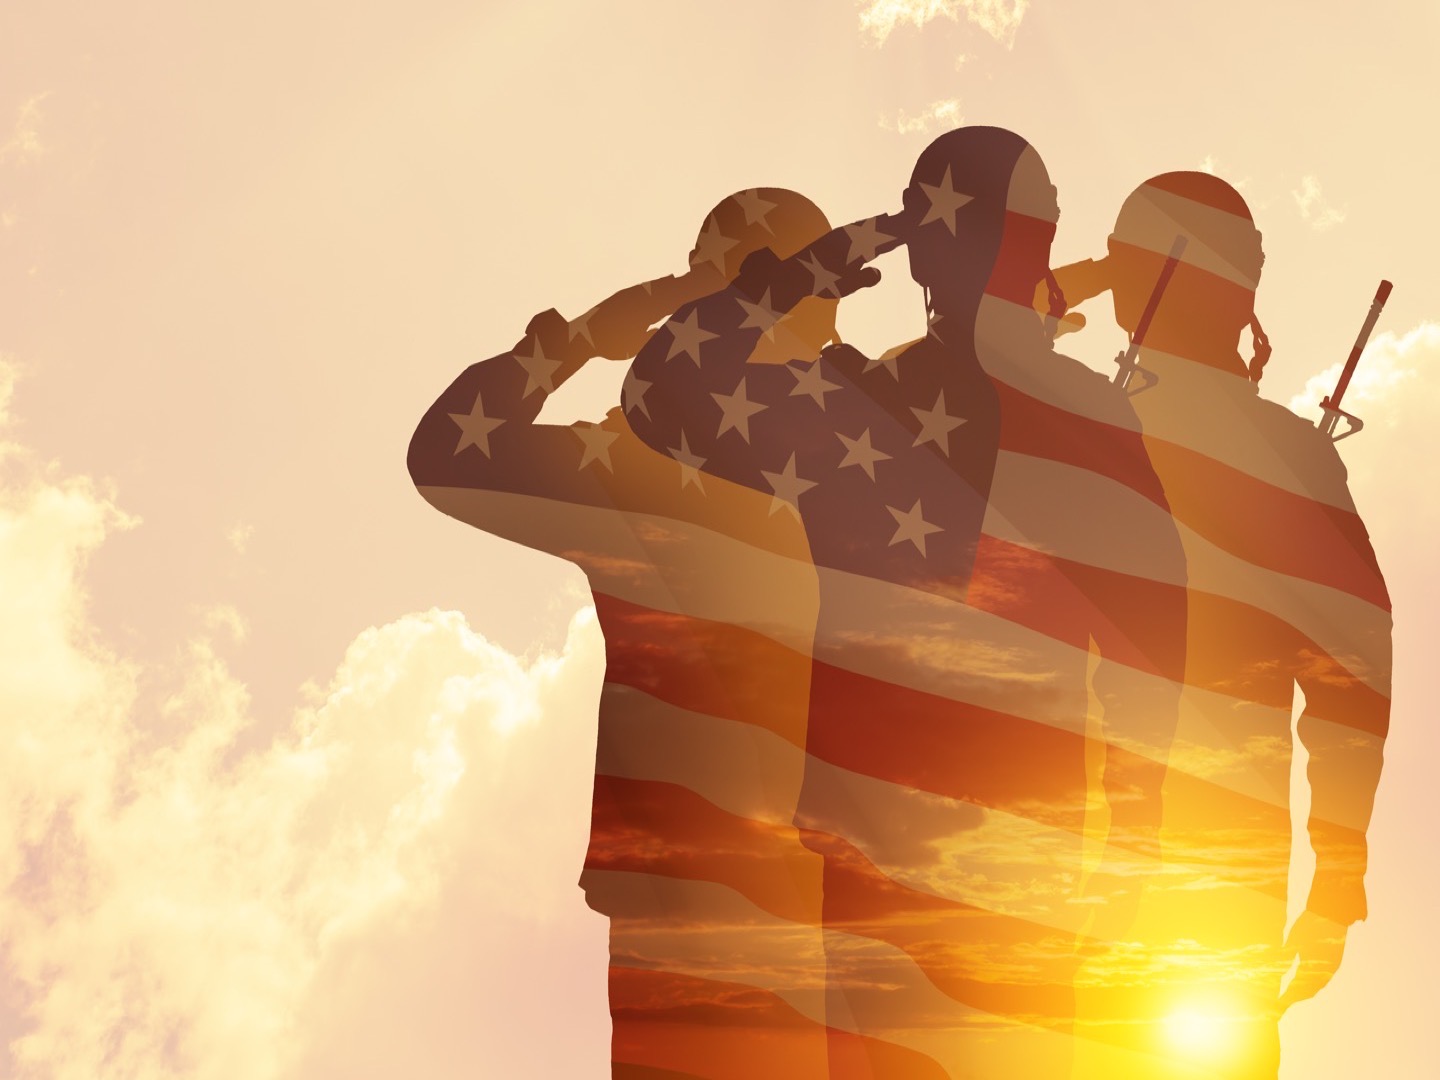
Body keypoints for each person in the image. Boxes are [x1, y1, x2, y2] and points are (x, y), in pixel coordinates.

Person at [622, 126, 1186, 1079]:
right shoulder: (1092, 421)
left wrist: (825, 261)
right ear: (1040, 239)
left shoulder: (859, 408)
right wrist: (1131, 857)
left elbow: (658, 389)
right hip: (1034, 869)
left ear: (923, 246)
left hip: (882, 870)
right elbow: (1153, 659)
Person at [407, 189, 850, 1078]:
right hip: (731, 894)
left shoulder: (665, 464)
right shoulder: (646, 469)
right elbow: (449, 458)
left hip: (771, 891)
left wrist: (585, 337)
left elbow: (450, 455)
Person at [1051, 171, 1392, 1080]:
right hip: (1218, 884)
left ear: (1145, 274)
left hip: (1064, 878)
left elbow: (970, 349)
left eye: (1125, 257)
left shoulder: (1075, 430)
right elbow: (1354, 693)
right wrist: (1338, 878)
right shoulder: (1293, 459)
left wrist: (1070, 284)